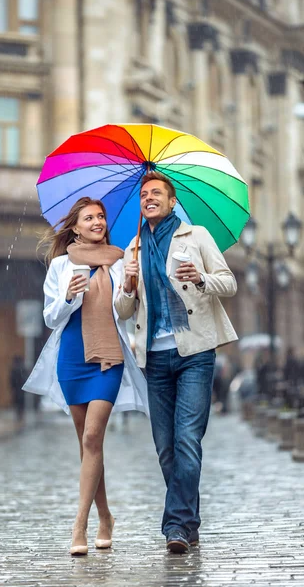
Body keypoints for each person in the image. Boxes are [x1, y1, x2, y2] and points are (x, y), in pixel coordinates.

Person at [115, 171, 238, 554]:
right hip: (154, 357)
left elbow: (228, 282)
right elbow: (122, 311)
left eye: (157, 193)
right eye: (144, 194)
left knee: (187, 439)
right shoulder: (132, 249)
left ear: (171, 203)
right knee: (165, 448)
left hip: (195, 353)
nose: (149, 198)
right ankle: (188, 521)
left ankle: (175, 526)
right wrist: (128, 284)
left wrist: (201, 278)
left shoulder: (195, 236)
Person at [23, 196, 148, 556]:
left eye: (100, 216)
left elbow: (125, 313)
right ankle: (106, 516)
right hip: (72, 360)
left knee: (93, 436)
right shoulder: (61, 266)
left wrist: (129, 287)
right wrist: (67, 297)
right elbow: (51, 318)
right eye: (89, 217)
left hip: (108, 359)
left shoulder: (123, 260)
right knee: (87, 447)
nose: (97, 221)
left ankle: (79, 525)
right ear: (75, 227)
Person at [9, 355, 29, 423]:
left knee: (17, 404)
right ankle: (21, 417)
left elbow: (11, 380)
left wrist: (12, 388)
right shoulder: (23, 368)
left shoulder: (14, 369)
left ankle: (19, 417)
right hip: (22, 390)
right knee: (21, 404)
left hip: (16, 390)